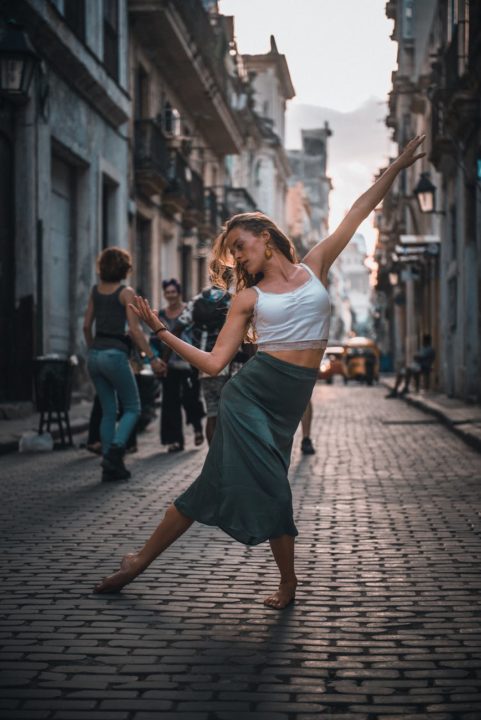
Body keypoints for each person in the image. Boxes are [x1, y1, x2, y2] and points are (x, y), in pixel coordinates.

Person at [94, 135, 426, 608]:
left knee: (208, 487)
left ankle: (137, 563)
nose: (237, 258)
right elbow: (214, 363)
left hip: (286, 404)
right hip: (248, 397)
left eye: (241, 246)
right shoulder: (247, 298)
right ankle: (288, 583)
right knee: (273, 483)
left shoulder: (315, 267)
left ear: (266, 238)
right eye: (231, 253)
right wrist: (163, 334)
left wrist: (395, 168)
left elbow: (358, 211)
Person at [83, 248, 166, 481]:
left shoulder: (95, 291)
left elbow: (86, 326)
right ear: (124, 268)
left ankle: (109, 463)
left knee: (109, 410)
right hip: (115, 355)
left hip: (95, 356)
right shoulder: (125, 292)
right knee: (132, 408)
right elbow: (134, 330)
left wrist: (92, 349)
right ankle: (117, 450)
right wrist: (152, 357)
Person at [174, 275, 232, 445]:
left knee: (212, 411)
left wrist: (168, 357)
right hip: (226, 362)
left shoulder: (197, 300)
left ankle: (213, 458)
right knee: (227, 412)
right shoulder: (231, 301)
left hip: (202, 363)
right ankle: (224, 457)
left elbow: (177, 327)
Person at [152, 279, 205, 452]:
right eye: (167, 292)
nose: (170, 295)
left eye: (173, 292)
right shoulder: (161, 315)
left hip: (189, 363)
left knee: (191, 398)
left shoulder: (188, 311)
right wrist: (156, 360)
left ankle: (197, 428)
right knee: (170, 402)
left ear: (179, 293)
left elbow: (198, 334)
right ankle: (175, 440)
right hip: (170, 365)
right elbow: (155, 339)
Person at [385, 333, 435, 398]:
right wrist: (417, 357)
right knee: (401, 372)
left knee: (408, 370)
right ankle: (395, 389)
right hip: (417, 366)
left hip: (424, 367)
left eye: (424, 340)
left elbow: (419, 357)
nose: (423, 342)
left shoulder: (429, 349)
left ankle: (405, 388)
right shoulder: (423, 348)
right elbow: (417, 357)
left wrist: (417, 357)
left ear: (427, 341)